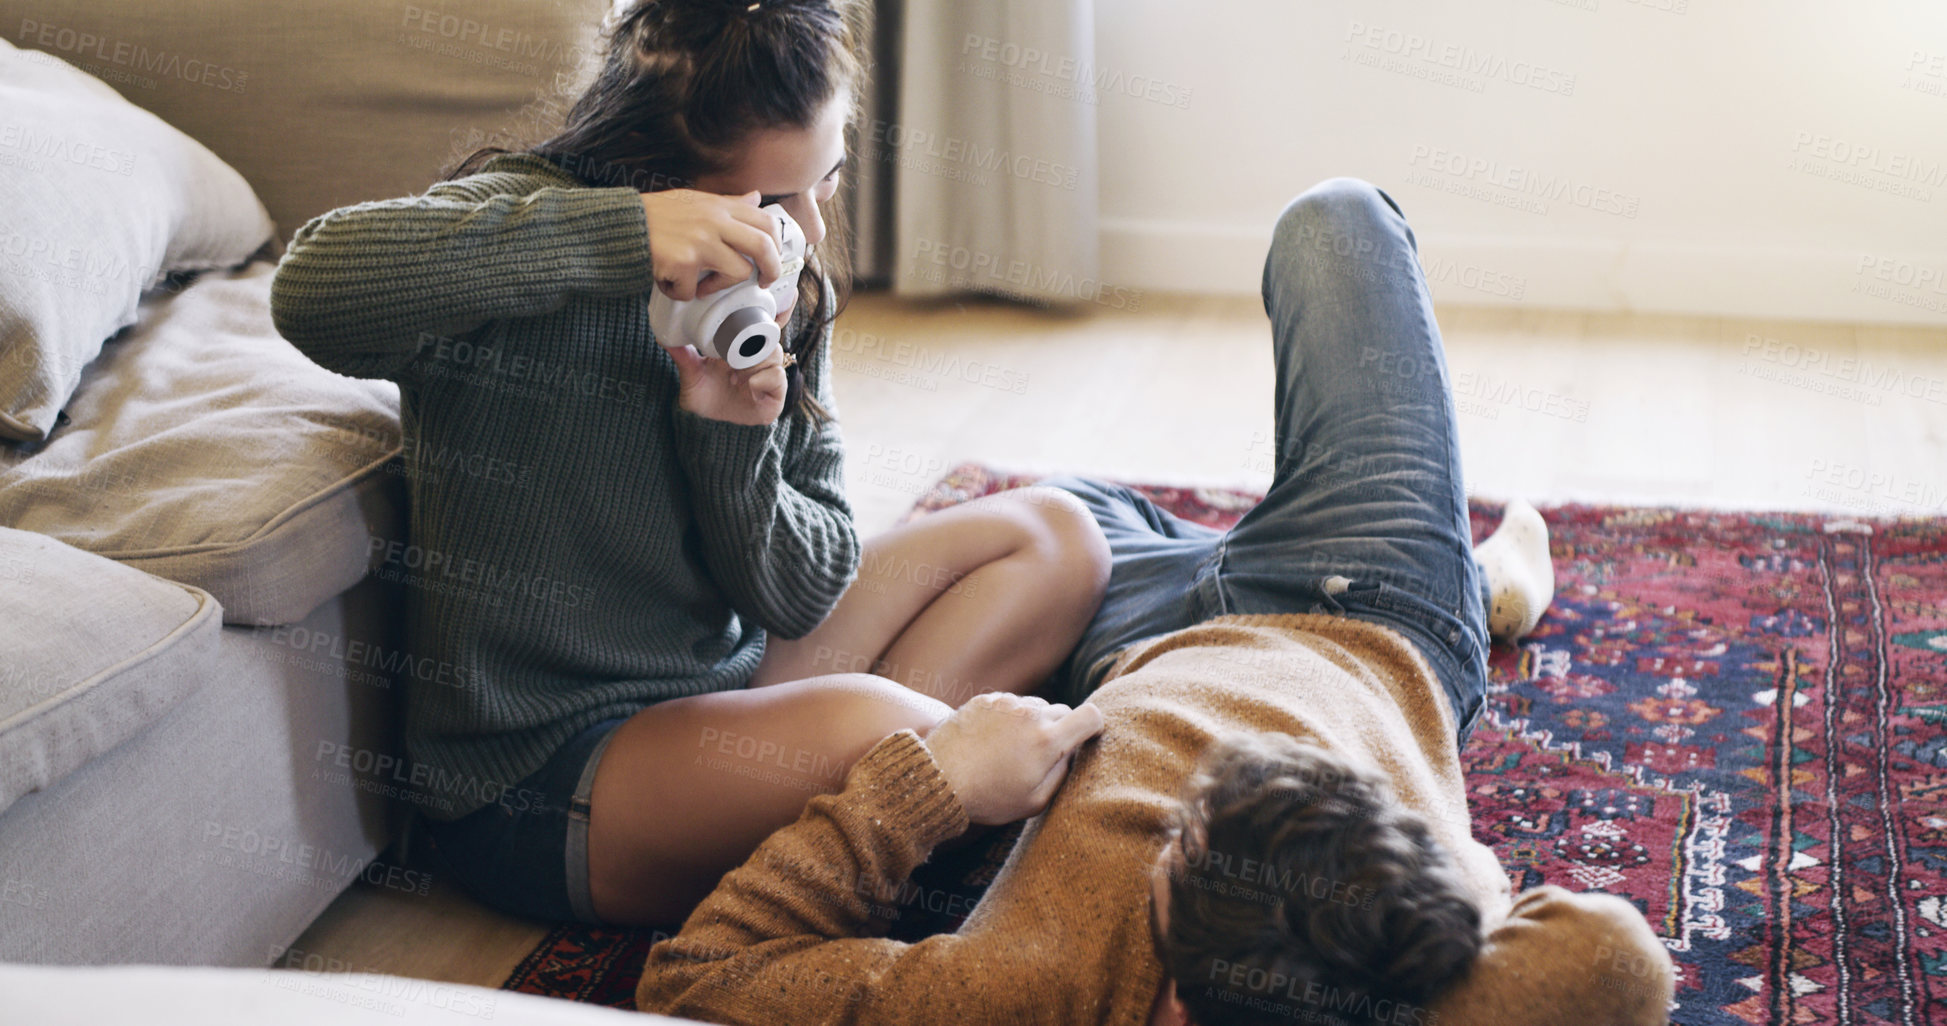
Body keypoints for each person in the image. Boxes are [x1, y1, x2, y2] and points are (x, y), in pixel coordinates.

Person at [634, 178, 1676, 1026]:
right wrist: (1454, 912)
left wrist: (934, 785)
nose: (1194, 793)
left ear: (1180, 1000)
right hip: (1377, 612)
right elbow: (1619, 955)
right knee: (1339, 222)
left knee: (1051, 518)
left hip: (1128, 648)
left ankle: (1229, 549)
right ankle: (1486, 586)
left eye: (1179, 841)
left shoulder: (1022, 992)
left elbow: (696, 975)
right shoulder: (1438, 982)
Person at [268, 0, 1111, 928]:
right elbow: (311, 288)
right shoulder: (517, 237)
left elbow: (799, 597)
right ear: (659, 181)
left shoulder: (782, 282)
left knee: (1057, 534)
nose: (809, 233)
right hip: (554, 773)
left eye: (823, 183)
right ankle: (910, 802)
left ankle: (892, 808)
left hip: (727, 684)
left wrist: (733, 440)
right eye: (773, 203)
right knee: (880, 728)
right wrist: (619, 235)